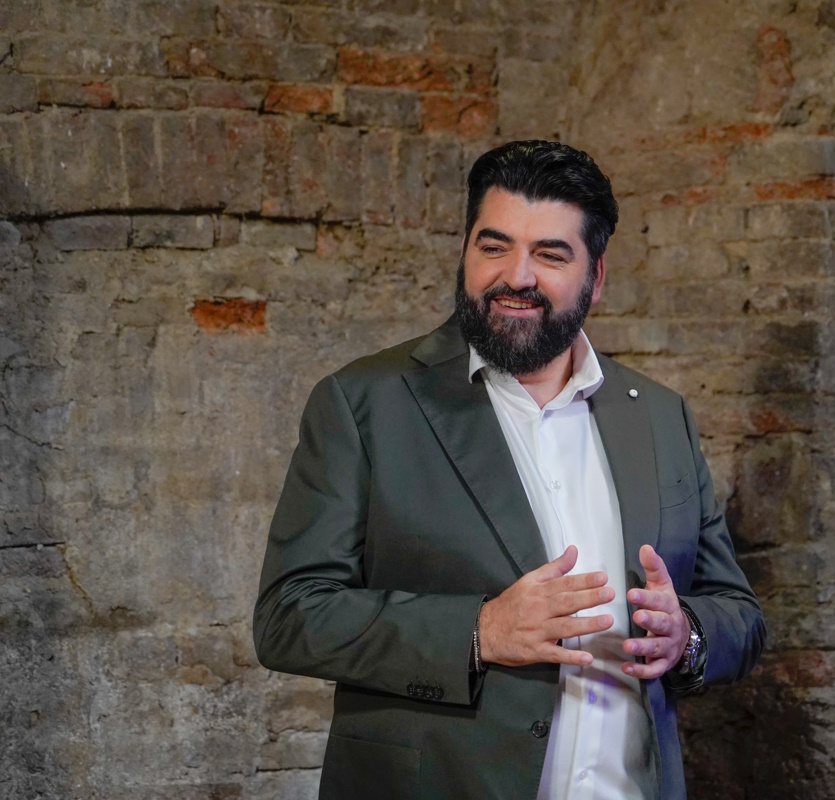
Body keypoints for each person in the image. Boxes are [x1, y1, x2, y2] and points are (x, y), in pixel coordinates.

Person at [253, 139, 765, 800]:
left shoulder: (663, 417)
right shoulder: (363, 404)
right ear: (465, 250)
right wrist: (481, 631)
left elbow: (740, 615)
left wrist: (686, 637)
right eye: (493, 246)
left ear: (596, 278)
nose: (516, 276)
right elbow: (290, 616)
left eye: (550, 255)